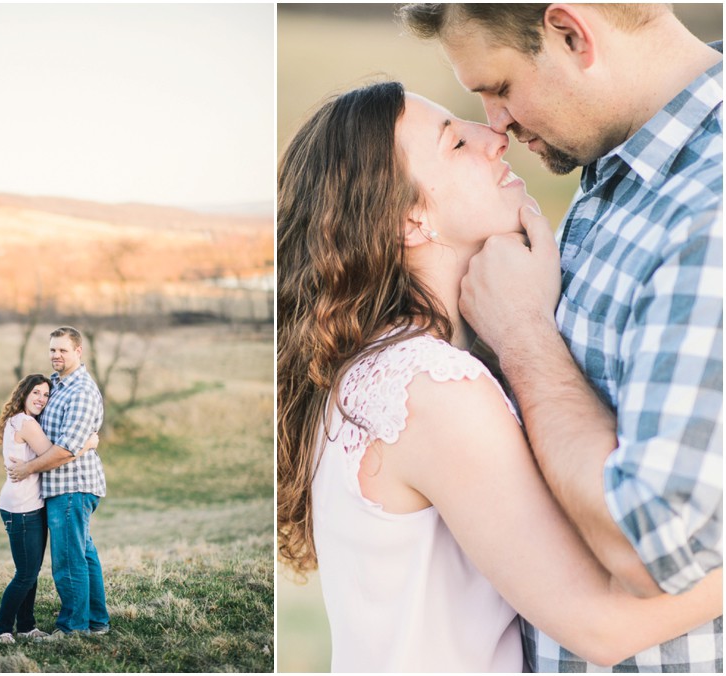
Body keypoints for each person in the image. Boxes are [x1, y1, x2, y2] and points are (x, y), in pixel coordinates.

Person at [276, 80, 722, 672]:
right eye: (455, 143)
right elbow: (602, 625)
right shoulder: (430, 388)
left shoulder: (382, 366)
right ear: (409, 218)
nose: (494, 137)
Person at [399, 3, 723, 670]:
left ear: (573, 35)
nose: (496, 125)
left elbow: (656, 545)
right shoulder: (619, 163)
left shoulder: (708, 213)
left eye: (501, 88)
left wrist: (521, 335)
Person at [8, 327, 110, 638]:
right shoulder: (56, 384)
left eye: (63, 350)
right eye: (53, 350)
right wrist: (87, 443)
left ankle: (72, 629)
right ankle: (96, 622)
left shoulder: (81, 392)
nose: (56, 355)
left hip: (72, 486)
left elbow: (65, 451)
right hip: (60, 486)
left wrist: (28, 468)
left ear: (79, 352)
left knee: (67, 559)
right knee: (83, 552)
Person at [0, 373, 98, 644]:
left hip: (30, 504)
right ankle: (2, 629)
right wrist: (88, 444)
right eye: (36, 393)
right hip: (21, 508)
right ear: (24, 394)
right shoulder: (26, 423)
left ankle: (27, 626)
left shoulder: (22, 421)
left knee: (31, 570)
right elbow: (55, 453)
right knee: (25, 573)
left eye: (46, 394)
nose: (41, 399)